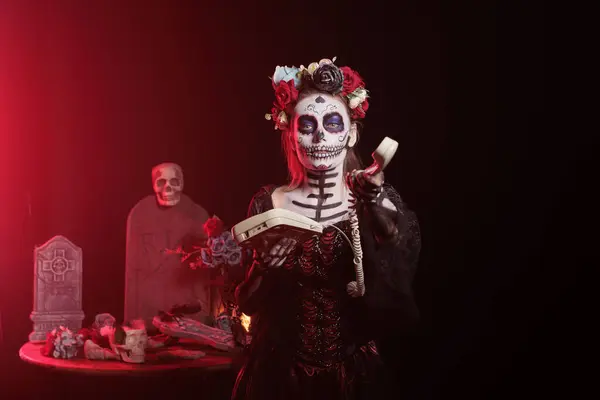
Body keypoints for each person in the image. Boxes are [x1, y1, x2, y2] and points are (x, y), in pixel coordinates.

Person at [232, 58, 421, 400]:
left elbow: (399, 271)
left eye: (333, 124)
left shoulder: (376, 200)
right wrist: (264, 267)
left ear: (350, 134)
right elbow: (247, 302)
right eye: (307, 125)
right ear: (291, 135)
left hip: (354, 379)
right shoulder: (267, 204)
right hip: (278, 378)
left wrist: (375, 199)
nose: (320, 135)